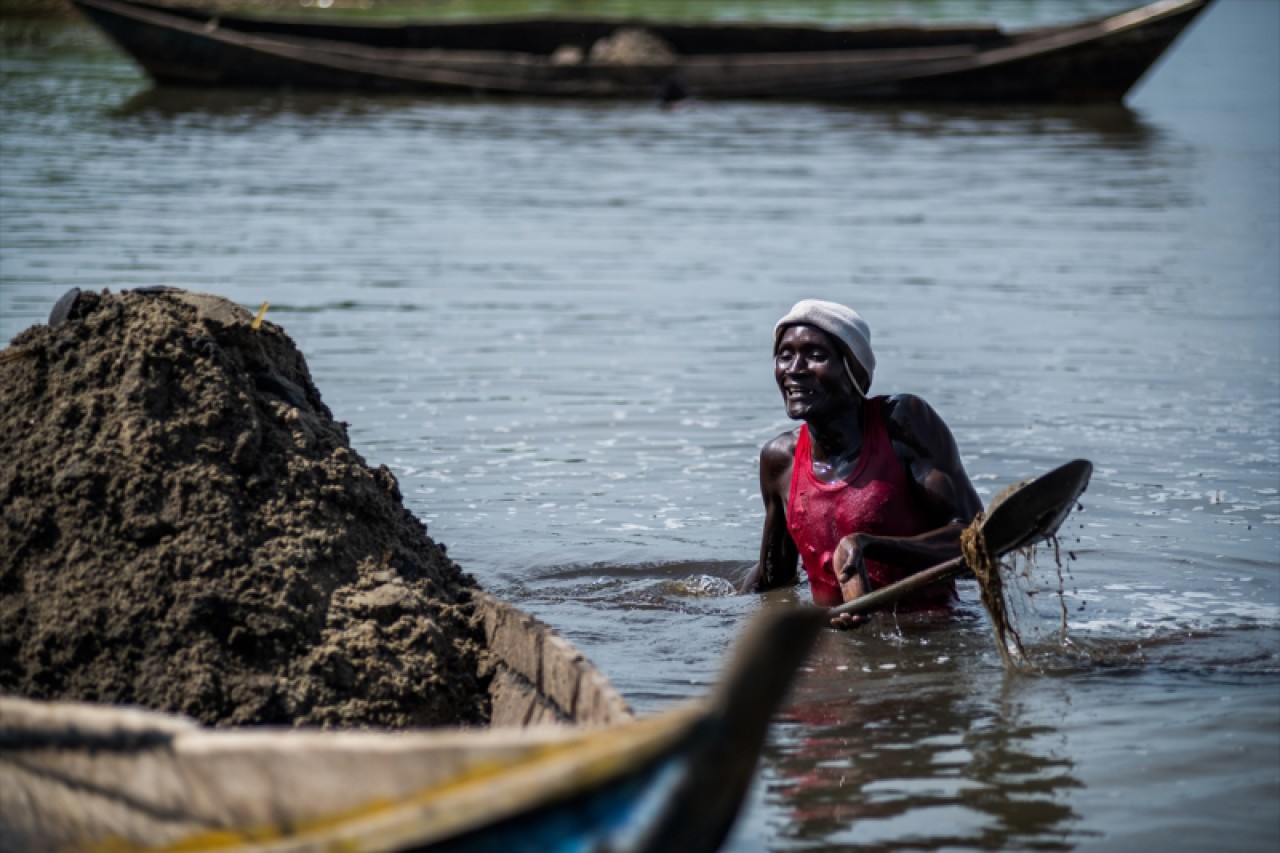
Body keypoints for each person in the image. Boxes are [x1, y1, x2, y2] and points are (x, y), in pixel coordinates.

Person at [741, 299, 982, 628]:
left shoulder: (903, 424)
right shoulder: (779, 460)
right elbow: (774, 579)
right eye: (785, 355)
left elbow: (975, 541)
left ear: (853, 369)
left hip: (928, 634)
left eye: (815, 355)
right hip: (832, 643)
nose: (794, 369)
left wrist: (870, 547)